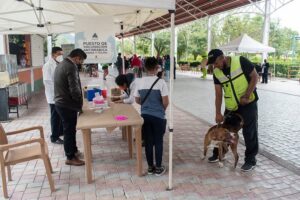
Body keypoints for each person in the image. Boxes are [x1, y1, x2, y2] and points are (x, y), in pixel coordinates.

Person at [207, 49, 259, 172]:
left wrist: (247, 95)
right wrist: (218, 112)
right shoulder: (217, 72)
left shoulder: (241, 61)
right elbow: (218, 94)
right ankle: (219, 154)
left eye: (216, 63)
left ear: (222, 58)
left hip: (248, 103)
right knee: (223, 131)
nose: (215, 66)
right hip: (231, 107)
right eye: (213, 64)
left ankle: (250, 160)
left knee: (249, 132)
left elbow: (255, 77)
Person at [134, 57, 169, 176]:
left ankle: (150, 168)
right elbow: (165, 102)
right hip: (158, 116)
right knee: (158, 141)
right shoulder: (161, 82)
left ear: (144, 68)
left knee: (148, 142)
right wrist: (160, 110)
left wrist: (146, 106)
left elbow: (137, 100)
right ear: (156, 68)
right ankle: (158, 168)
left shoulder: (139, 82)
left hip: (145, 116)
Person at [54, 48, 87, 166]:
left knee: (70, 129)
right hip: (67, 104)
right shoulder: (71, 66)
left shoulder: (62, 64)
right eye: (81, 61)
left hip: (61, 102)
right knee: (68, 131)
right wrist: (80, 103)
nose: (80, 63)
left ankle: (73, 151)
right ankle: (70, 157)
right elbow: (74, 89)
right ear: (77, 57)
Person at [42, 47, 64, 145]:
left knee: (59, 115)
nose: (60, 56)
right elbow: (47, 81)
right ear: (53, 54)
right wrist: (58, 90)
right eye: (59, 54)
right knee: (55, 116)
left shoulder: (57, 63)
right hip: (53, 95)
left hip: (59, 94)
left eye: (61, 54)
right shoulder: (48, 65)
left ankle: (60, 132)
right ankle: (54, 137)